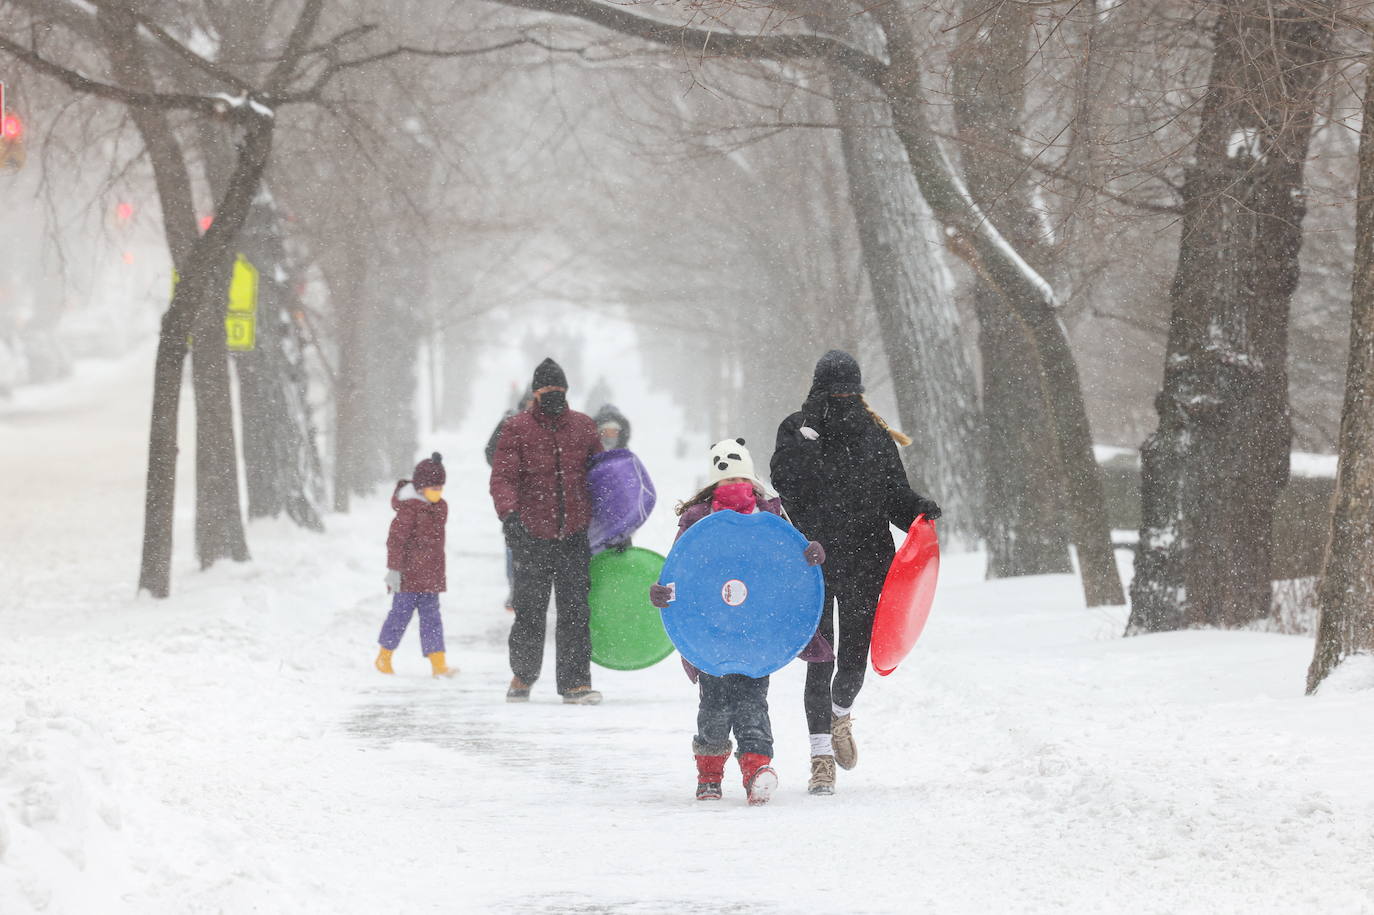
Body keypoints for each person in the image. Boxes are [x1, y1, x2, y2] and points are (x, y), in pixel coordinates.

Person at [770, 350, 941, 796]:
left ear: (859, 392)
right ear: (816, 390)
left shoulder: (875, 435)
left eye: (849, 391)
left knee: (853, 662)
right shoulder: (795, 430)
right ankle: (820, 757)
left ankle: (840, 713)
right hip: (814, 564)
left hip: (869, 560)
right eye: (833, 392)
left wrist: (917, 511)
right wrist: (809, 435)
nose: (841, 399)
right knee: (818, 661)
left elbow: (894, 494)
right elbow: (787, 484)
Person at [650, 438, 826, 805]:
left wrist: (808, 556)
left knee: (745, 700)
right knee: (724, 701)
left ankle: (754, 771)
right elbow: (681, 570)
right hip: (717, 627)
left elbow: (786, 567)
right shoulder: (697, 519)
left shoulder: (771, 517)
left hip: (754, 627)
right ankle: (712, 776)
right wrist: (664, 592)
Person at [489, 358, 604, 705]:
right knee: (529, 611)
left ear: (566, 391)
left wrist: (615, 525)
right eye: (546, 391)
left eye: (559, 390)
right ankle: (522, 676)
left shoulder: (584, 427)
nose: (553, 396)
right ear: (536, 393)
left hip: (573, 536)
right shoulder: (516, 429)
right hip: (530, 536)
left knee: (575, 612)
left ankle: (575, 683)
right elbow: (503, 477)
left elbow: (602, 478)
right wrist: (509, 515)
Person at [375, 453, 458, 678]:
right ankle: (384, 657)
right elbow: (396, 541)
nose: (438, 493)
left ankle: (438, 663)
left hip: (431, 576)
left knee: (432, 619)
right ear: (421, 487)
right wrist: (394, 570)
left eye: (441, 488)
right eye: (434, 488)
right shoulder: (408, 511)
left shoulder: (438, 508)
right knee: (399, 616)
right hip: (408, 577)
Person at [487, 385, 535, 612]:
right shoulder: (511, 423)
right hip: (517, 500)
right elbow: (491, 452)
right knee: (513, 546)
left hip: (538, 502)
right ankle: (515, 589)